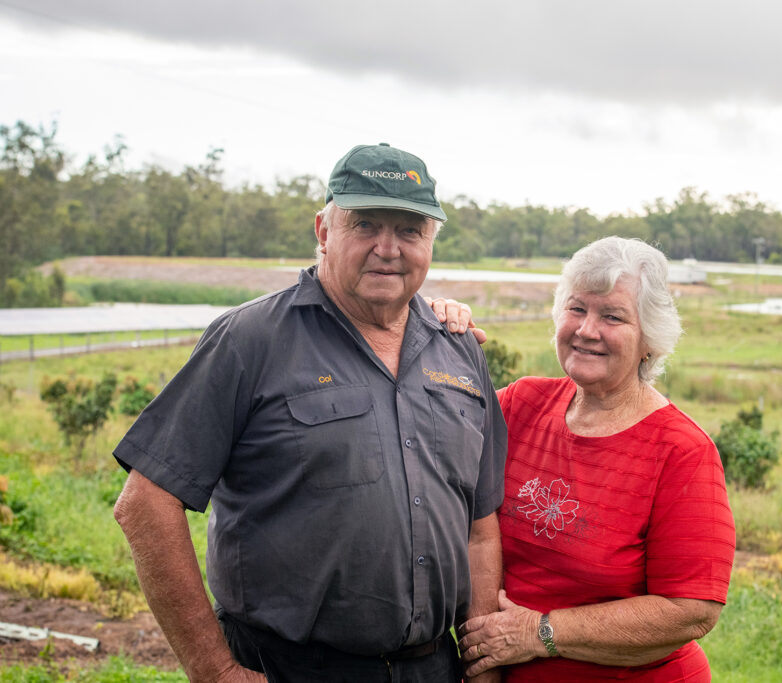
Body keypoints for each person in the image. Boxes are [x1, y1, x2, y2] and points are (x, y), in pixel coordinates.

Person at [113, 142, 506, 683]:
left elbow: (481, 527)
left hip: (433, 667)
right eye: (366, 224)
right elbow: (145, 503)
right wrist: (214, 670)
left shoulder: (458, 348)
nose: (388, 248)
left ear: (431, 241)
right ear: (323, 230)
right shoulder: (250, 340)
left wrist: (482, 660)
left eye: (410, 230)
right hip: (289, 666)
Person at [445, 236, 735, 681]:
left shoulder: (682, 451)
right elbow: (434, 432)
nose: (586, 329)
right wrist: (430, 327)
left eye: (612, 316)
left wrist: (538, 632)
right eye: (576, 309)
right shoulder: (520, 404)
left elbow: (691, 610)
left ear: (650, 340)